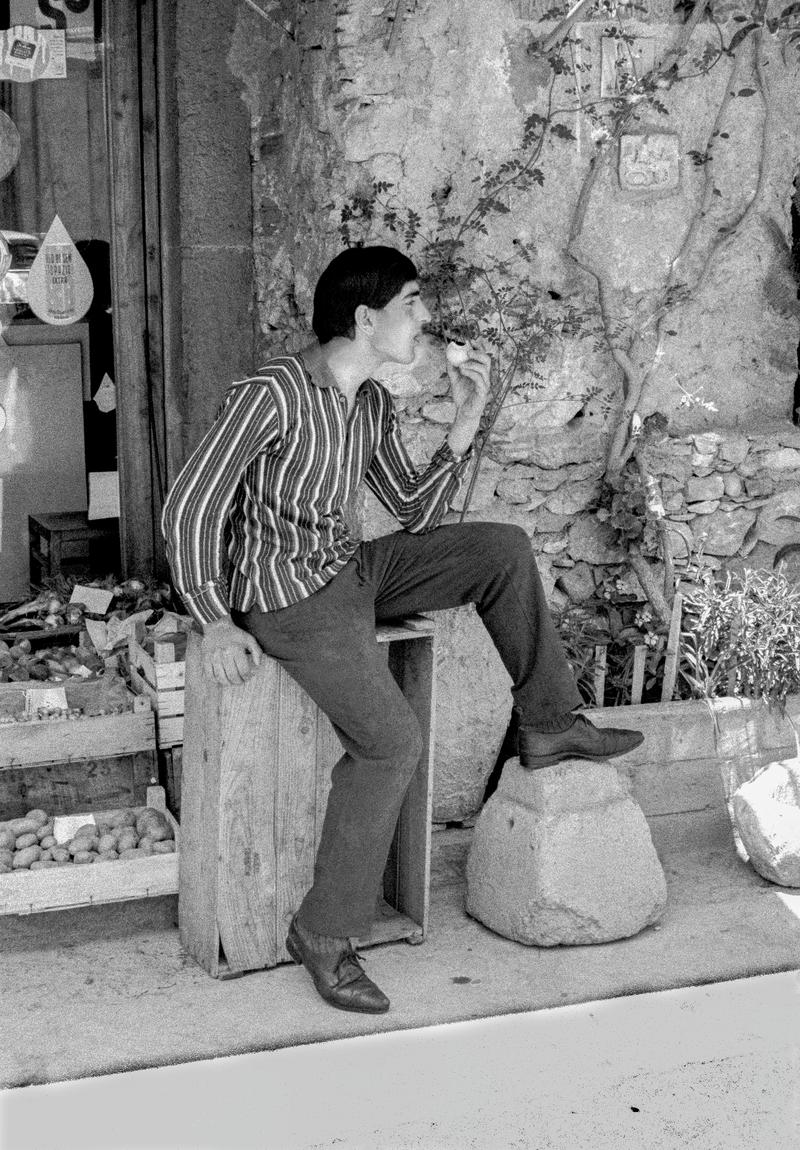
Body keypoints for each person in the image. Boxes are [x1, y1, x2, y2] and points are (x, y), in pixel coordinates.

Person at [162, 245, 644, 1015]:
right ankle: (322, 933)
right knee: (389, 743)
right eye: (412, 303)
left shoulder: (373, 404)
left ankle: (551, 724)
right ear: (365, 317)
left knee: (502, 550)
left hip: (356, 569)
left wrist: (464, 421)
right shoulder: (273, 393)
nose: (424, 318)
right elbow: (190, 504)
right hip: (292, 599)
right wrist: (213, 619)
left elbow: (415, 515)